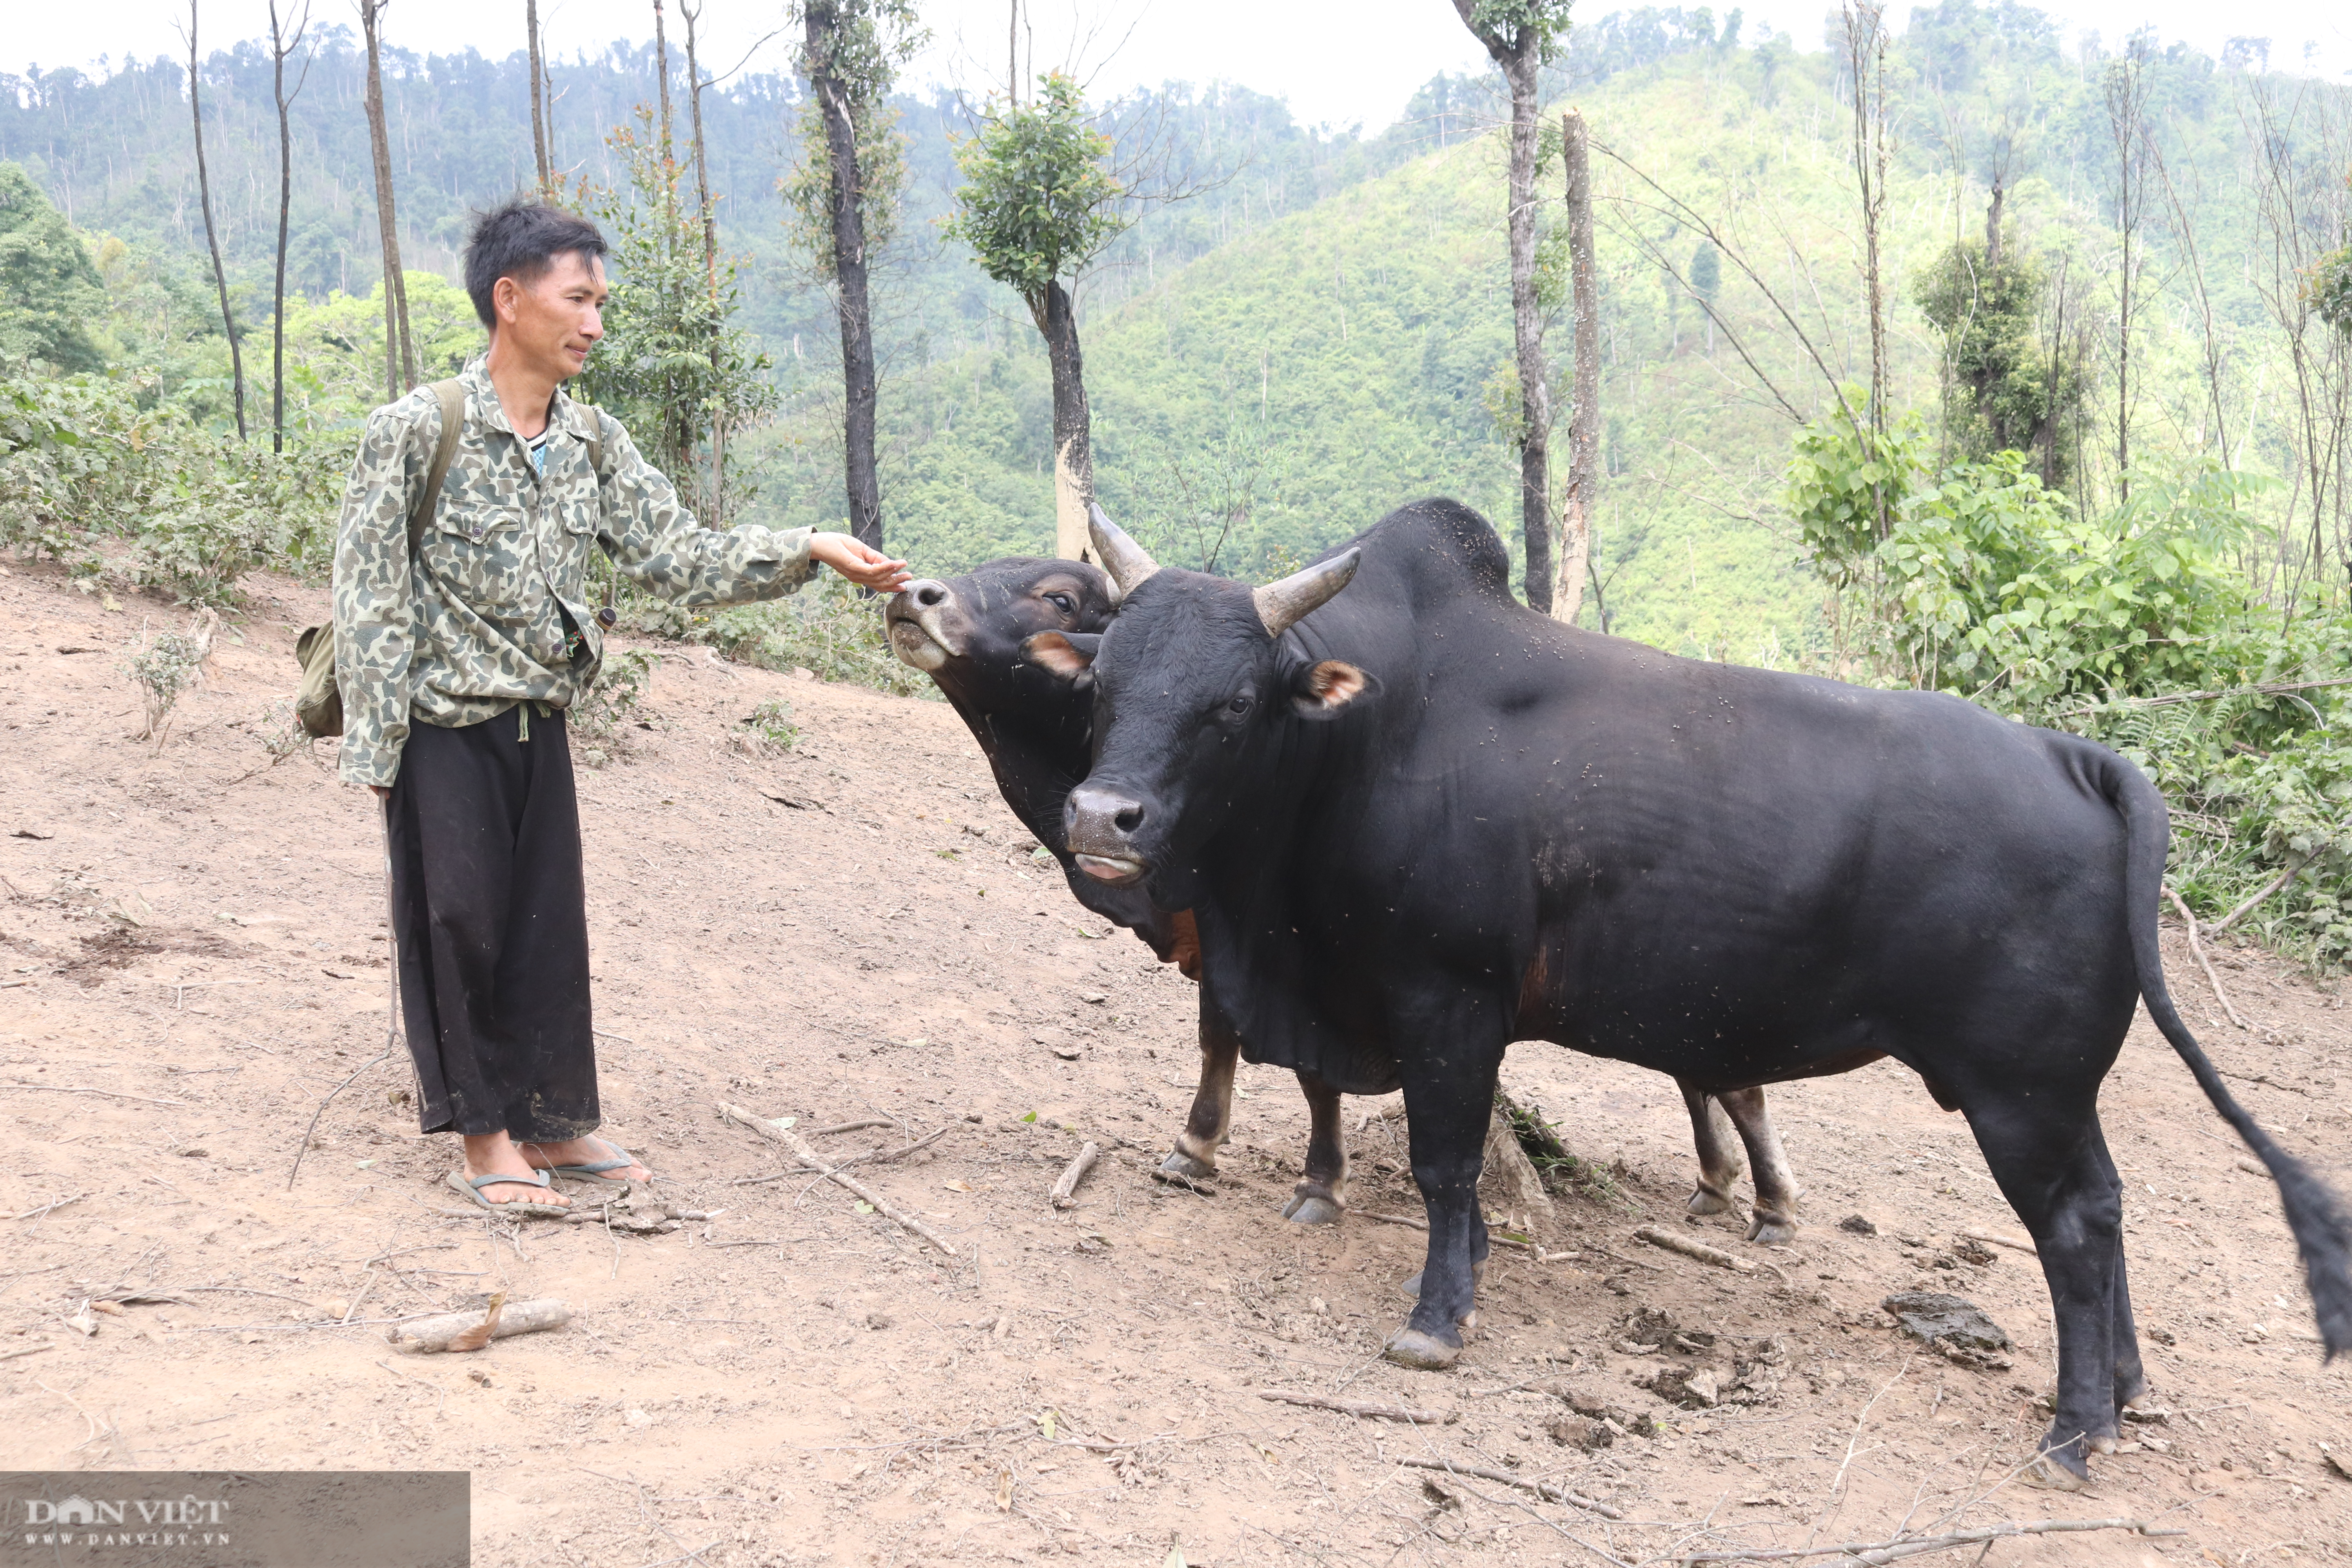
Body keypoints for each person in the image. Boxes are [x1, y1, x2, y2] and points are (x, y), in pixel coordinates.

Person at [332, 199, 909, 1212]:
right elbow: (367, 594)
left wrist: (808, 547)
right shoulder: (420, 428)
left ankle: (553, 1124)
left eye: (601, 301)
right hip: (441, 731)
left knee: (547, 930)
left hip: (540, 723)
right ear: (510, 301)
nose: (596, 321)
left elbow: (676, 555)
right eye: (579, 297)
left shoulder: (594, 441)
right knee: (457, 922)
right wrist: (380, 752)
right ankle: (483, 1135)